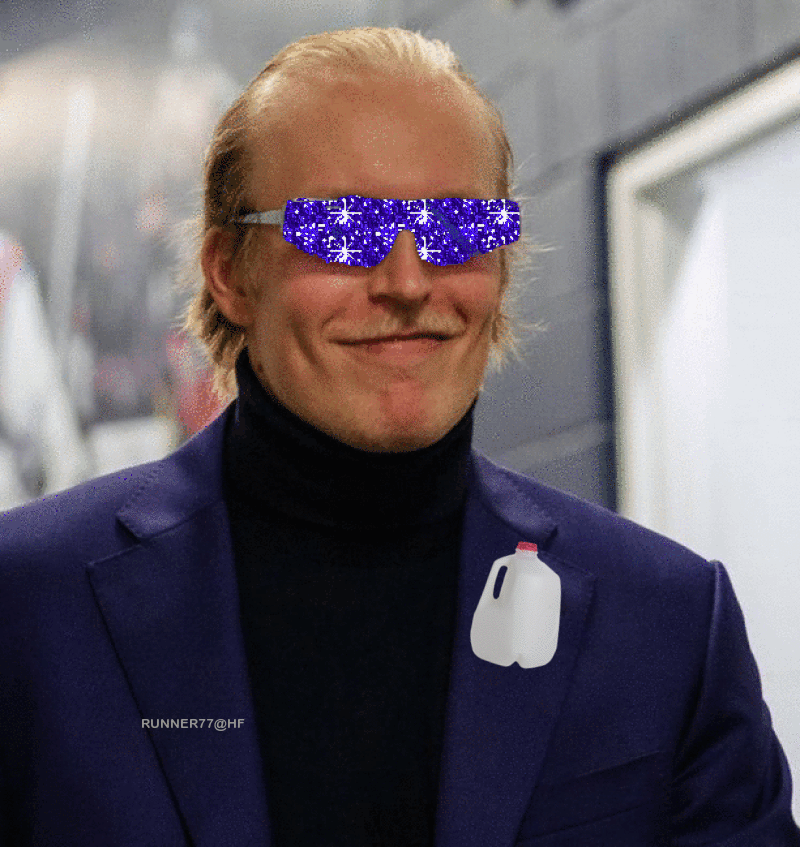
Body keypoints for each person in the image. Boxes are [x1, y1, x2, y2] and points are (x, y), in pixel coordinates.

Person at [0, 25, 798, 847]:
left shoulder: (666, 622)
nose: (409, 281)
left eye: (458, 227)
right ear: (230, 272)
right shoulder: (27, 604)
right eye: (344, 228)